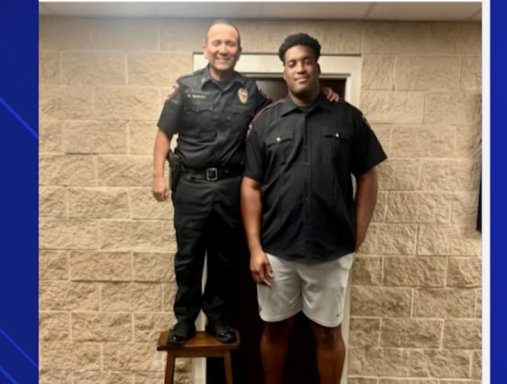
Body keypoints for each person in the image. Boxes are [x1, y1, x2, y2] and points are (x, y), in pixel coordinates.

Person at [152, 20, 339, 346]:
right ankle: (184, 320)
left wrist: (319, 93)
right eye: (217, 43)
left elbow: (284, 109)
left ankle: (216, 320)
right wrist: (157, 175)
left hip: (231, 186)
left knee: (225, 256)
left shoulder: (249, 91)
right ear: (207, 48)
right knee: (188, 256)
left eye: (230, 44)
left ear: (239, 51)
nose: (224, 49)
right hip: (192, 185)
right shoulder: (185, 86)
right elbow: (164, 132)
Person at [240, 33, 387, 384]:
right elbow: (251, 185)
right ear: (285, 72)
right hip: (277, 252)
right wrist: (254, 247)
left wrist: (358, 231)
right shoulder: (265, 122)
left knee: (327, 333)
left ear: (318, 66)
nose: (300, 68)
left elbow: (367, 175)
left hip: (331, 249)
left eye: (306, 61)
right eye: (292, 64)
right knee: (275, 331)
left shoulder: (347, 117)